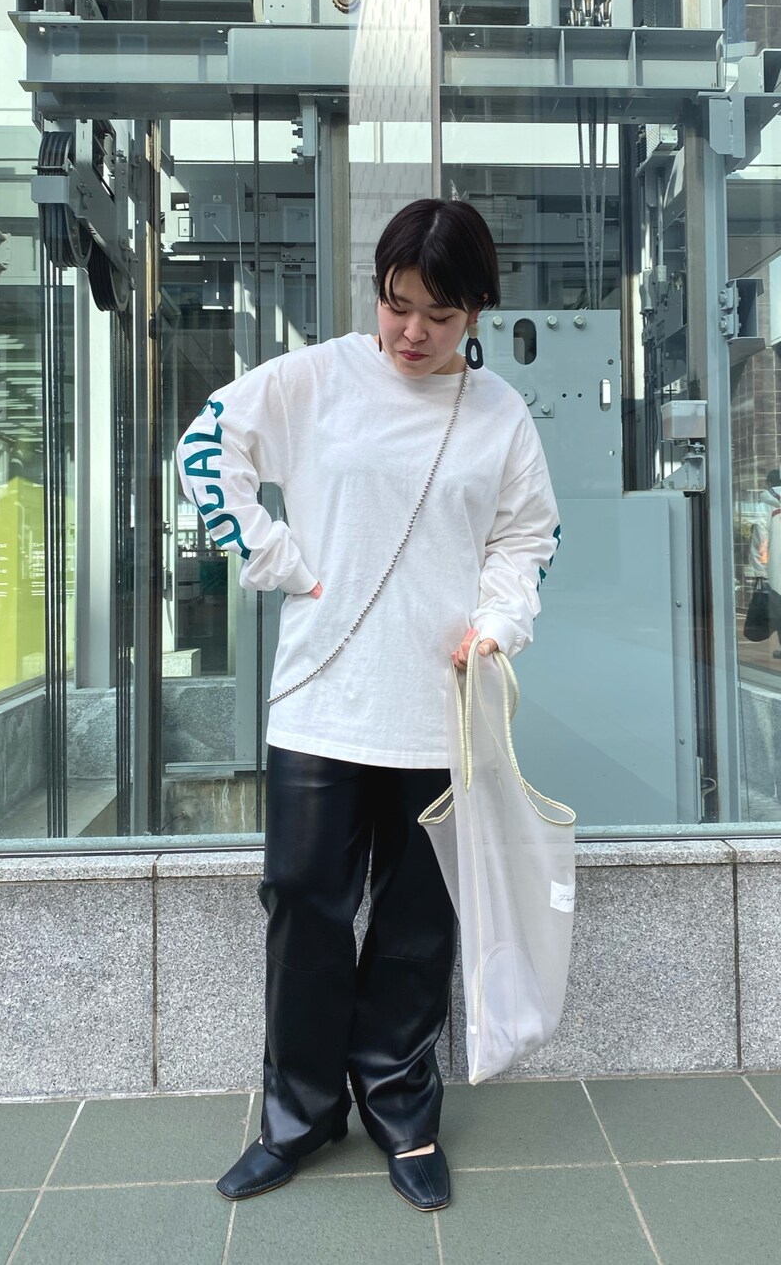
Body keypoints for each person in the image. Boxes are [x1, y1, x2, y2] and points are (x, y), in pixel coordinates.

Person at [176, 199, 560, 1212]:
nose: (411, 332)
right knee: (303, 906)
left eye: (439, 314)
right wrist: (278, 559)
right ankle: (297, 1115)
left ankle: (401, 1108)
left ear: (476, 310)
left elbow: (526, 537)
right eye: (396, 304)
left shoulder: (499, 416)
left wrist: (497, 623)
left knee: (418, 923)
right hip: (321, 702)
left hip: (441, 709)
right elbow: (206, 446)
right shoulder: (316, 379)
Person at [750, 467, 781, 660]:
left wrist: (760, 570)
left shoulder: (765, 506)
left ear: (768, 484)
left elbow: (761, 541)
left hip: (777, 566)